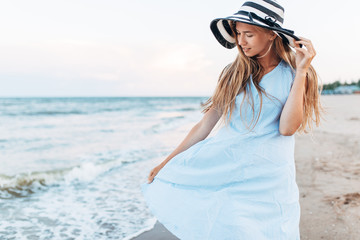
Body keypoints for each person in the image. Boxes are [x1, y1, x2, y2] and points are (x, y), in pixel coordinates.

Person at [141, 0, 322, 239]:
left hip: (271, 179)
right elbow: (205, 125)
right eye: (237, 33)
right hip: (227, 170)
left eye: (248, 34)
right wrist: (167, 162)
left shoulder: (296, 73)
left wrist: (300, 71)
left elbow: (287, 128)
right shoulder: (233, 73)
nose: (240, 41)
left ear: (271, 35)